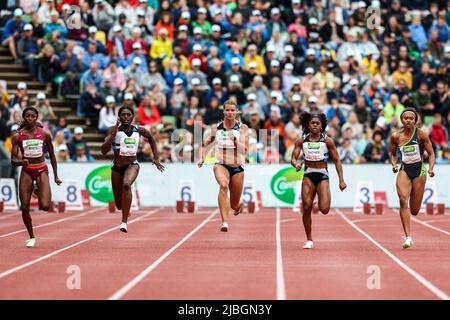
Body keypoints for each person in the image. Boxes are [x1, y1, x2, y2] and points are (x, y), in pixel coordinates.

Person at [101, 106, 164, 233]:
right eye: (123, 115)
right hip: (117, 167)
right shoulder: (112, 130)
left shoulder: (138, 130)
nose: (126, 117)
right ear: (119, 117)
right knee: (119, 205)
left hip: (132, 164)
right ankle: (125, 210)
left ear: (132, 117)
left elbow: (151, 138)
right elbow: (103, 151)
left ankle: (124, 222)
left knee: (126, 185)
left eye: (128, 115)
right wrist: (113, 134)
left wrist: (156, 158)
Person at [290, 112, 347, 249]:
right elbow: (293, 157)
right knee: (306, 207)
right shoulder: (301, 140)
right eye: (312, 123)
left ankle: (319, 195)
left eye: (317, 123)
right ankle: (309, 239)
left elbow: (337, 160)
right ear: (308, 125)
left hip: (322, 175)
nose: (315, 125)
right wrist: (296, 164)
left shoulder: (327, 140)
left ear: (322, 126)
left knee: (325, 209)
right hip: (308, 175)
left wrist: (341, 180)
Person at [10, 107, 62, 248]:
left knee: (45, 206)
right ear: (24, 118)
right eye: (28, 116)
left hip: (41, 169)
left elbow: (52, 156)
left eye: (33, 116)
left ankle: (37, 187)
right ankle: (31, 236)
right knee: (25, 206)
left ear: (37, 118)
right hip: (27, 171)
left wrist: (56, 176)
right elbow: (13, 160)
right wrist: (21, 162)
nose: (30, 119)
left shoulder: (45, 135)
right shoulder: (17, 136)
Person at [198, 99, 249, 232]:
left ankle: (238, 205)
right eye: (227, 110)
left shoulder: (242, 128)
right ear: (224, 111)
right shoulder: (216, 127)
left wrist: (236, 142)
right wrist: (202, 157)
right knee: (223, 185)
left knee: (234, 205)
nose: (230, 113)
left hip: (237, 167)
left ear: (236, 112)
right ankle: (225, 222)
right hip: (221, 164)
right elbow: (208, 143)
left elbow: (245, 150)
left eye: (232, 110)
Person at [390, 108, 435, 249]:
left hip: (419, 170)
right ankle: (408, 237)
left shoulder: (421, 134)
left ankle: (409, 231)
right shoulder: (395, 136)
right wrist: (394, 164)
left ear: (415, 120)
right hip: (404, 169)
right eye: (405, 118)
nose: (408, 120)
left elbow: (431, 154)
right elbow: (392, 153)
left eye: (411, 118)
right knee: (403, 200)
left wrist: (431, 168)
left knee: (414, 210)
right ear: (401, 120)